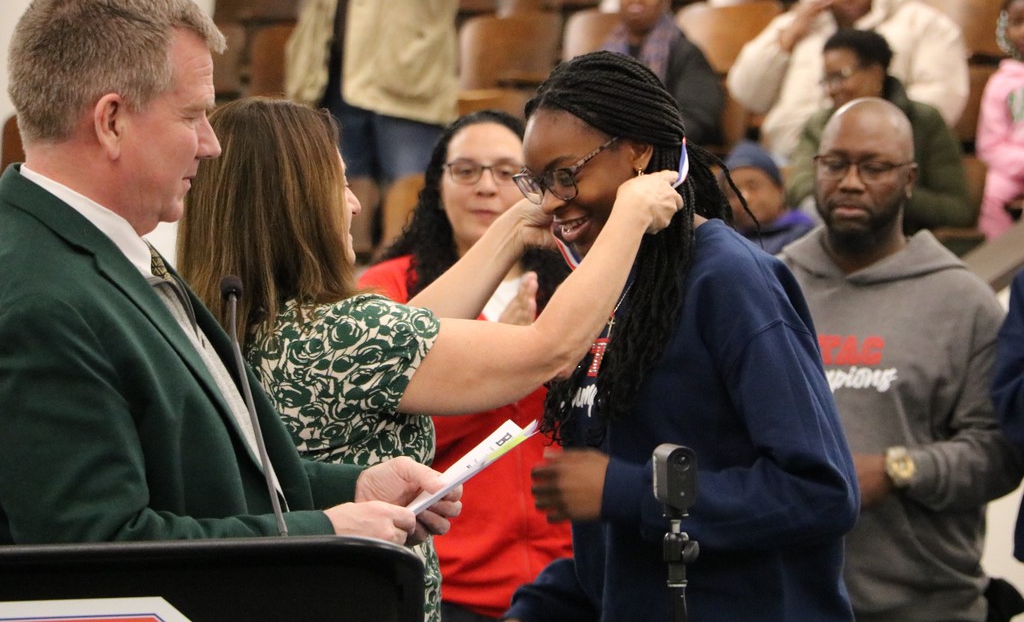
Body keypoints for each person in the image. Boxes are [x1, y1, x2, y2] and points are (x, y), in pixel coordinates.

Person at [0, 0, 463, 547]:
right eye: (192, 116)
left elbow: (201, 481)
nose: (210, 144)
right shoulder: (40, 297)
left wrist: (351, 490)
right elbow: (94, 547)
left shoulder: (99, 252)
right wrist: (321, 531)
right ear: (112, 121)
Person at [176, 97, 682, 622]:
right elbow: (547, 349)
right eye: (339, 183)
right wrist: (630, 214)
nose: (353, 205)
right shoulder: (342, 334)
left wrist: (511, 229)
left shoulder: (230, 323)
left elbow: (406, 339)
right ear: (294, 202)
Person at [503, 51, 859, 621]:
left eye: (567, 174)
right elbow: (617, 552)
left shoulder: (731, 279)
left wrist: (628, 491)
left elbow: (820, 492)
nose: (551, 201)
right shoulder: (607, 286)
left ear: (639, 152)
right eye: (538, 182)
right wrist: (542, 606)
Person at [779, 97, 1024, 622]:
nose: (850, 182)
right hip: (787, 598)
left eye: (874, 167)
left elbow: (1001, 456)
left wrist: (898, 469)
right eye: (835, 164)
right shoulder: (771, 286)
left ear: (911, 179)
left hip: (926, 605)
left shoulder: (964, 302)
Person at [360, 110, 573, 622]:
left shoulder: (575, 281)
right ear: (437, 187)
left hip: (569, 576)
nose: (485, 187)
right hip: (447, 576)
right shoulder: (386, 291)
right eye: (466, 171)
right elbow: (379, 429)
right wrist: (507, 361)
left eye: (505, 172)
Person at [283, 0, 473, 257]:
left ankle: (404, 288)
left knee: (409, 189)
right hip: (330, 75)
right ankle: (343, 284)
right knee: (338, 185)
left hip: (404, 77)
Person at [727, 0, 968, 160]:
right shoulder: (801, 22)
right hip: (788, 158)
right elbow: (747, 91)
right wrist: (787, 38)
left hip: (876, 160)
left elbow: (941, 97)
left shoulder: (923, 24)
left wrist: (876, 137)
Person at [787, 28, 972, 234]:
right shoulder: (820, 124)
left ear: (875, 74)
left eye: (840, 76)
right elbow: (799, 184)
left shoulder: (924, 121)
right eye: (827, 79)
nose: (831, 89)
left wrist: (885, 192)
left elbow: (957, 210)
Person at [601, 0, 724, 145]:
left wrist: (646, 142)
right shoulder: (603, 57)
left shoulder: (686, 54)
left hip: (664, 153)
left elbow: (697, 117)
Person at [977, 0, 1024, 240]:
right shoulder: (999, 83)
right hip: (1012, 170)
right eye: (1017, 22)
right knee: (990, 193)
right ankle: (1001, 262)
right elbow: (990, 146)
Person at [721, 139, 815, 253]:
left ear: (779, 189)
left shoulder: (804, 235)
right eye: (733, 193)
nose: (744, 198)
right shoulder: (726, 241)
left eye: (753, 187)